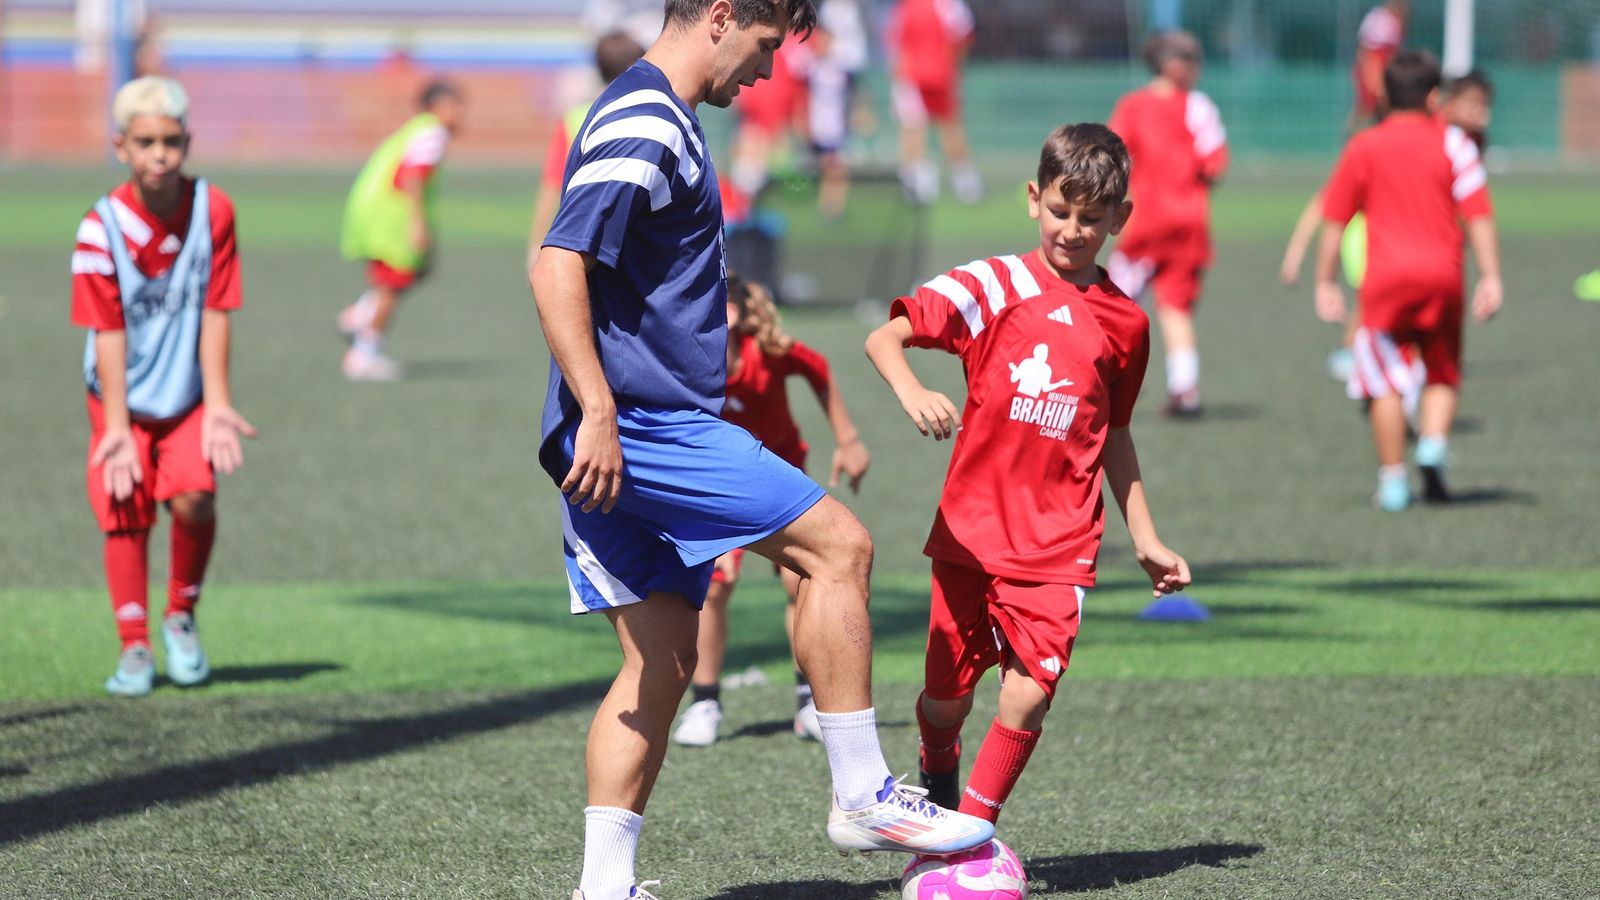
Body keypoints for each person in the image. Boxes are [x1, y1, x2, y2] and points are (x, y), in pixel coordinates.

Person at [527, 3, 995, 897]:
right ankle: (860, 791)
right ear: (722, 15)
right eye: (768, 45)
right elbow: (556, 261)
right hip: (640, 427)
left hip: (616, 432)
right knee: (840, 547)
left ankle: (602, 887)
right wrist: (596, 408)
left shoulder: (663, 114)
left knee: (660, 661)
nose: (771, 71)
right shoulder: (647, 116)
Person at [863, 123, 1190, 832]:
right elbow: (883, 336)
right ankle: (938, 771)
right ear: (1033, 198)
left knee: (1028, 696)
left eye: (1092, 219)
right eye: (1059, 212)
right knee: (945, 697)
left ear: (1119, 219)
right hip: (969, 534)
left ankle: (968, 833)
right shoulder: (992, 285)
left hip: (1057, 543)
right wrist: (912, 389)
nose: (1072, 231)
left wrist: (1146, 537)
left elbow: (1116, 434)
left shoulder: (1127, 324)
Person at [70, 76, 255, 697]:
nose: (158, 154)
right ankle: (134, 646)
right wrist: (117, 428)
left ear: (188, 142)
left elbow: (215, 307)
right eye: (144, 141)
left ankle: (181, 614)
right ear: (120, 146)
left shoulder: (214, 210)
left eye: (171, 141)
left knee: (196, 497)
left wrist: (219, 402)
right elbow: (109, 331)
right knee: (125, 510)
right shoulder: (99, 230)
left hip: (186, 399)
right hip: (118, 397)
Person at [671, 274, 871, 748]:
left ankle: (808, 703)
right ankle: (705, 701)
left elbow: (818, 368)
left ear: (736, 316)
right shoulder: (684, 364)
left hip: (779, 479)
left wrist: (848, 438)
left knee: (803, 580)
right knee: (716, 585)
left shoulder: (768, 355)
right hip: (718, 487)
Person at [1313, 50, 1503, 511]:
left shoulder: (1364, 146)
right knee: (1440, 370)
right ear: (1435, 96)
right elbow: (1477, 215)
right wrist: (1492, 277)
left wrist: (1325, 281)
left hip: (1386, 282)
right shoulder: (1455, 143)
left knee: (1384, 384)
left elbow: (1335, 219)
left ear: (1383, 95)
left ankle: (1394, 480)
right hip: (1443, 276)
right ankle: (1433, 444)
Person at [1281, 68, 1496, 387]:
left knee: (1410, 320)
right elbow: (1329, 202)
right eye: (1472, 104)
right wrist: (1297, 251)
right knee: (1377, 309)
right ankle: (1356, 360)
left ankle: (1393, 383)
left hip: (1426, 246)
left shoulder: (1464, 143)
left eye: (1484, 105)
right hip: (1378, 238)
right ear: (1443, 102)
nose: (1481, 113)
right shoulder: (1408, 138)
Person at [1107, 30, 1229, 418]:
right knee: (1175, 306)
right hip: (1189, 224)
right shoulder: (1199, 106)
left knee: (1112, 304)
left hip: (1145, 223)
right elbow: (1215, 164)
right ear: (1176, 66)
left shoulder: (1132, 106)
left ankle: (1100, 380)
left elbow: (1112, 158)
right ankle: (1185, 388)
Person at [337, 79, 466, 382]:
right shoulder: (431, 132)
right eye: (454, 106)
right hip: (391, 215)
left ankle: (359, 315)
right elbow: (412, 175)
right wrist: (417, 222)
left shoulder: (417, 129)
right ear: (436, 107)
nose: (459, 113)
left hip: (376, 210)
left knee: (411, 274)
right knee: (393, 282)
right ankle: (363, 355)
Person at [528, 31, 648, 271]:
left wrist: (536, 244)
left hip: (581, 238)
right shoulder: (650, 114)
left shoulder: (575, 117)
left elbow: (551, 183)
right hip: (636, 239)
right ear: (634, 67)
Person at [886, 0, 981, 205]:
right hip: (920, 77)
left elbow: (962, 36)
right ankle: (922, 184)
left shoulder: (941, 5)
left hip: (929, 77)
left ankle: (961, 183)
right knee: (918, 130)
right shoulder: (914, 6)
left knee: (943, 129)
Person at [1350, 0, 1408, 132]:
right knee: (1367, 108)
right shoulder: (1382, 21)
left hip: (1381, 71)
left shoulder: (1388, 20)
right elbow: (1370, 56)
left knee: (1374, 109)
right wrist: (1375, 81)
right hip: (1375, 71)